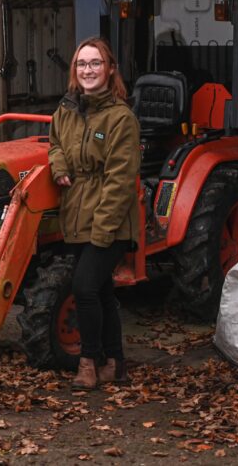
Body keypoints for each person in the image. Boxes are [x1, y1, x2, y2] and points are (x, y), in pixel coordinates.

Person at [48, 37, 140, 390]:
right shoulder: (67, 110)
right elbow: (55, 143)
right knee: (100, 290)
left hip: (110, 219)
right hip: (76, 212)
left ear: (110, 69)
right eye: (82, 64)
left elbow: (120, 181)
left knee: (84, 286)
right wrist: (58, 167)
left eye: (95, 63)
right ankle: (115, 363)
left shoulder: (121, 118)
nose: (88, 70)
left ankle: (89, 361)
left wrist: (103, 230)